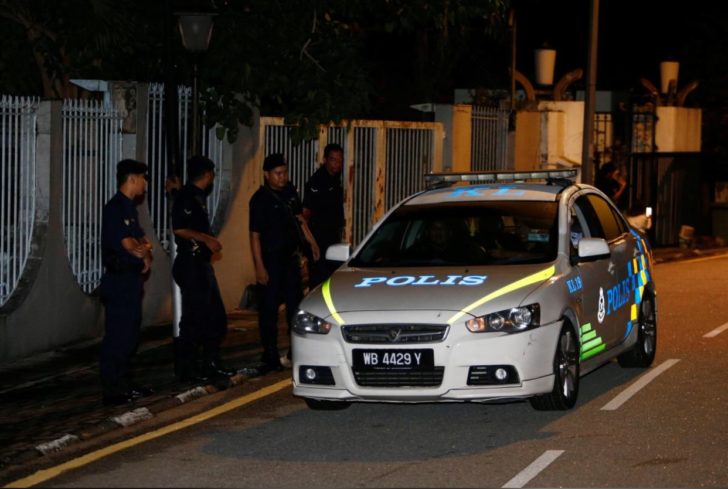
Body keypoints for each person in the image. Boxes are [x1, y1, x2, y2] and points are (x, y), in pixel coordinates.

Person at [249, 153, 320, 372]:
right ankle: (269, 354)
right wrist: (259, 267)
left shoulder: (290, 192)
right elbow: (254, 236)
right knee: (269, 310)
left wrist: (312, 243)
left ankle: (295, 350)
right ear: (267, 174)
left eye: (284, 172)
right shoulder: (260, 199)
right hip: (270, 260)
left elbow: (300, 220)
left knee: (295, 307)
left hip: (290, 260)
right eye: (278, 173)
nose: (282, 177)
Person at [171, 155, 236, 383]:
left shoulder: (194, 196)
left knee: (214, 317)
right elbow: (179, 228)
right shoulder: (188, 196)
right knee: (194, 319)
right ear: (208, 175)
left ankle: (211, 364)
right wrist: (206, 239)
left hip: (201, 265)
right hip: (191, 264)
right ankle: (188, 369)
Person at [99, 159, 154, 406]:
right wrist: (142, 249)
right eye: (143, 178)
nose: (145, 183)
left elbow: (143, 242)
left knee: (130, 334)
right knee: (118, 336)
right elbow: (131, 245)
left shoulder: (130, 208)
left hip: (131, 280)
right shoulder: (115, 208)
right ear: (132, 178)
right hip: (119, 280)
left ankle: (125, 384)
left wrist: (145, 250)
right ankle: (113, 390)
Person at [302, 143, 345, 289]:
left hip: (333, 238)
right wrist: (310, 243)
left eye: (340, 160)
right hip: (319, 240)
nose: (337, 163)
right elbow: (306, 213)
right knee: (319, 281)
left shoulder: (335, 179)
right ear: (325, 160)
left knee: (332, 280)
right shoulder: (317, 181)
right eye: (333, 159)